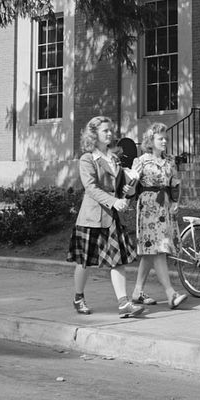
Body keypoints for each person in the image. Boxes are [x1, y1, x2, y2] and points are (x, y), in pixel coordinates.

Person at [67, 115, 145, 318]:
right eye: (105, 131)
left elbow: (124, 190)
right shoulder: (87, 158)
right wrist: (114, 201)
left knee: (117, 261)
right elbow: (91, 187)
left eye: (111, 130)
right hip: (91, 218)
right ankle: (78, 296)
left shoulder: (114, 158)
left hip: (111, 218)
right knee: (84, 262)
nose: (110, 134)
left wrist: (133, 180)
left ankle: (123, 303)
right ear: (94, 134)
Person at [129, 123, 187, 309]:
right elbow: (131, 185)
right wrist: (129, 185)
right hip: (148, 206)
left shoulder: (170, 160)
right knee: (158, 249)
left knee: (150, 252)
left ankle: (137, 292)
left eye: (165, 138)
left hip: (165, 206)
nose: (164, 141)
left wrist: (176, 202)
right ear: (150, 141)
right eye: (160, 138)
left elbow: (175, 183)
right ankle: (171, 294)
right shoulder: (141, 161)